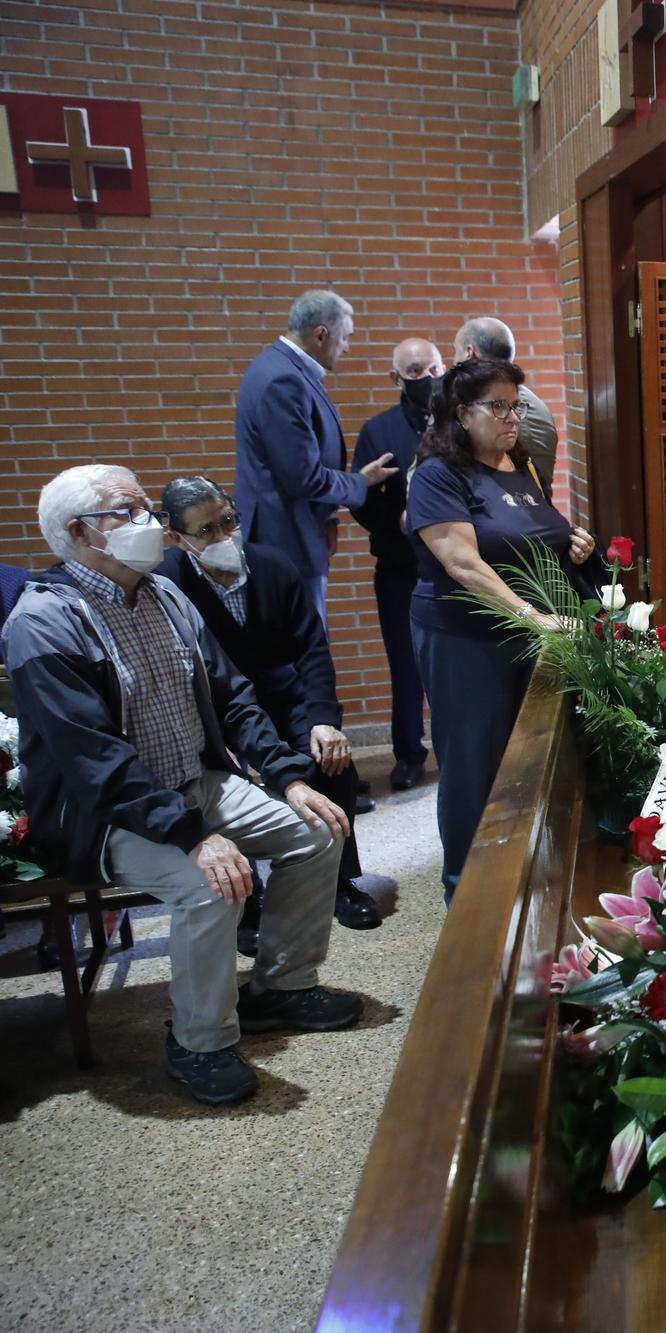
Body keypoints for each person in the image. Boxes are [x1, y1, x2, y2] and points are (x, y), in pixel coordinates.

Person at [2, 465, 360, 1106]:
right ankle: (200, 1042)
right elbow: (96, 762)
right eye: (129, 510)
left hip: (197, 782)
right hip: (107, 816)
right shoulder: (45, 622)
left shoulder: (165, 595)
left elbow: (232, 697)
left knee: (317, 828)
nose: (149, 522)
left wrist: (286, 778)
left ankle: (279, 988)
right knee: (210, 886)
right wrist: (195, 836)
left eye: (145, 506)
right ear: (82, 532)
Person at [406, 358, 596, 901]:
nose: (512, 416)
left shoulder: (522, 465)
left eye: (516, 405)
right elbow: (463, 563)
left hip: (527, 636)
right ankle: (467, 894)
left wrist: (573, 543)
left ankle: (525, 872)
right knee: (475, 763)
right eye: (498, 405)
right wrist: (533, 618)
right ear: (462, 414)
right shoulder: (439, 475)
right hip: (465, 638)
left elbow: (528, 534)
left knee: (533, 756)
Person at [158, 476, 383, 934]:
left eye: (228, 521)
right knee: (217, 782)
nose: (223, 537)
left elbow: (312, 649)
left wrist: (322, 719)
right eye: (206, 531)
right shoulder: (167, 584)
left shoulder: (273, 566)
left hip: (281, 696)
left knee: (330, 760)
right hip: (209, 708)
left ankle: (340, 881)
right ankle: (247, 899)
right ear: (176, 538)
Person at [234, 289, 400, 621]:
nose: (347, 346)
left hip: (293, 531)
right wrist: (360, 483)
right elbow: (302, 476)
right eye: (345, 337)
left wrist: (329, 517)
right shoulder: (284, 379)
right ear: (321, 334)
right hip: (284, 538)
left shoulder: (285, 368)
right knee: (304, 648)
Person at [353, 338, 441, 791]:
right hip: (399, 565)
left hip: (449, 566)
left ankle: (453, 748)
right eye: (414, 372)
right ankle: (409, 754)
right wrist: (399, 518)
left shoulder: (456, 424)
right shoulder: (379, 431)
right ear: (395, 379)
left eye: (433, 370)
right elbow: (361, 505)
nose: (426, 381)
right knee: (405, 664)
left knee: (453, 663)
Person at [453, 317, 558, 492]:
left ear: (469, 353)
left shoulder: (467, 406)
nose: (513, 418)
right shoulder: (538, 406)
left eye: (455, 350)